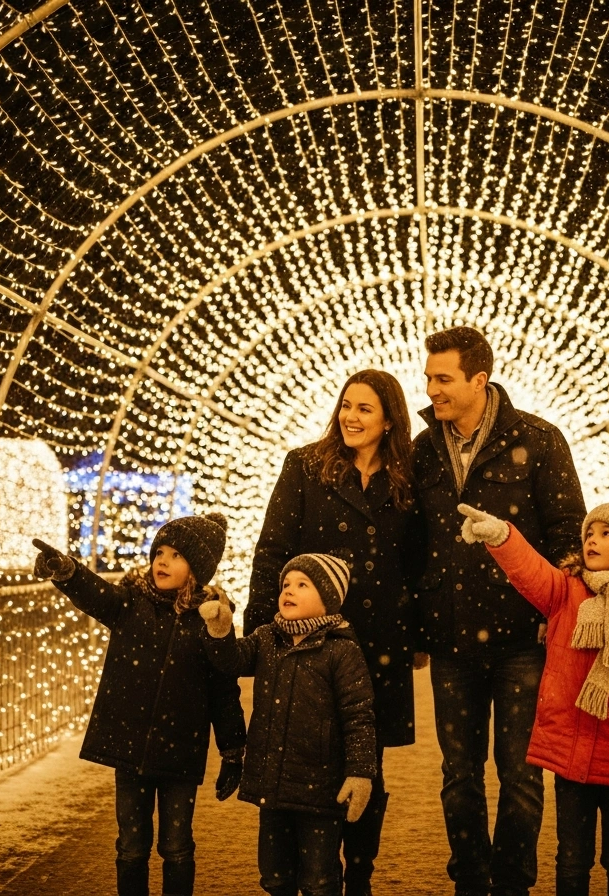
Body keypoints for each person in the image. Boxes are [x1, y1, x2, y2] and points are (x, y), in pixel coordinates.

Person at [412, 326, 586, 896]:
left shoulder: (538, 440)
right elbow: (411, 542)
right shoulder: (422, 451)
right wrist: (419, 620)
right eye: (430, 376)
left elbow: (567, 534)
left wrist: (556, 612)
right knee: (458, 777)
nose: (431, 388)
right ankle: (469, 882)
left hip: (521, 639)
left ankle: (511, 884)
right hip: (451, 641)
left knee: (520, 777)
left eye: (443, 378)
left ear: (478, 380)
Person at [458, 501, 609, 896]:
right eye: (590, 532)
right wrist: (501, 535)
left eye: (607, 534)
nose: (592, 540)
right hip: (573, 756)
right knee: (571, 858)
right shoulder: (567, 592)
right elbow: (529, 570)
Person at [245, 369, 421, 896]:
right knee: (305, 755)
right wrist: (263, 629)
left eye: (365, 408)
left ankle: (359, 873)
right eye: (346, 405)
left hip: (380, 641)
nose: (350, 416)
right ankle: (307, 873)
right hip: (309, 638)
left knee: (369, 763)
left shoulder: (408, 478)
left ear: (389, 418)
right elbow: (272, 547)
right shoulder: (305, 466)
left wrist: (422, 634)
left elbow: (419, 561)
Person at [31, 513, 247, 896]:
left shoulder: (208, 622)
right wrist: (67, 572)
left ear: (197, 569)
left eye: (176, 555)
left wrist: (233, 750)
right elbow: (95, 593)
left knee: (176, 845)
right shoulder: (130, 603)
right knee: (131, 846)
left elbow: (223, 691)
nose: (162, 560)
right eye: (159, 551)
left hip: (180, 753)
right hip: (129, 750)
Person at [200, 553, 378, 896]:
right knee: (275, 877)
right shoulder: (268, 637)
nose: (289, 591)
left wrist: (360, 772)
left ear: (328, 599)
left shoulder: (341, 650)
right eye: (285, 585)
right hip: (273, 786)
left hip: (321, 789)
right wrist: (220, 629)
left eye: (302, 585)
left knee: (319, 881)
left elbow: (360, 716)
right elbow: (231, 660)